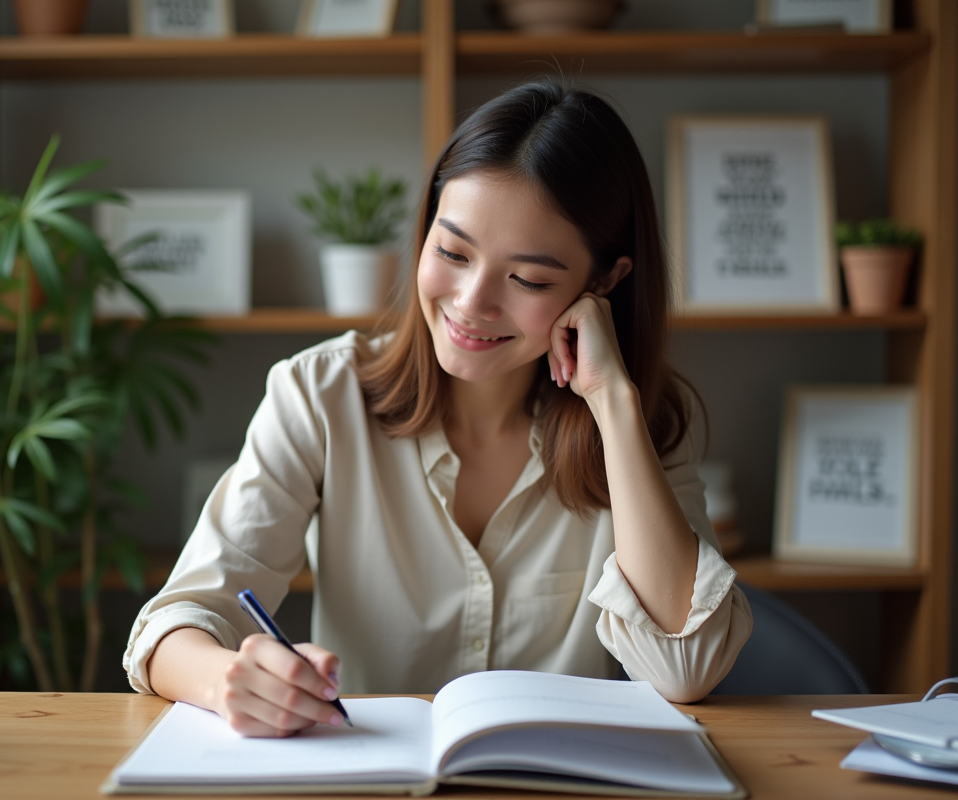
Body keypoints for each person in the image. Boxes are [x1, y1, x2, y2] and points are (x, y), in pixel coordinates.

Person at [123, 79, 752, 738]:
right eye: (452, 252)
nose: (472, 303)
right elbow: (171, 628)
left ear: (602, 282)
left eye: (528, 280)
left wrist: (614, 404)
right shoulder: (320, 394)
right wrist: (233, 681)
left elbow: (688, 667)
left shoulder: (643, 418)